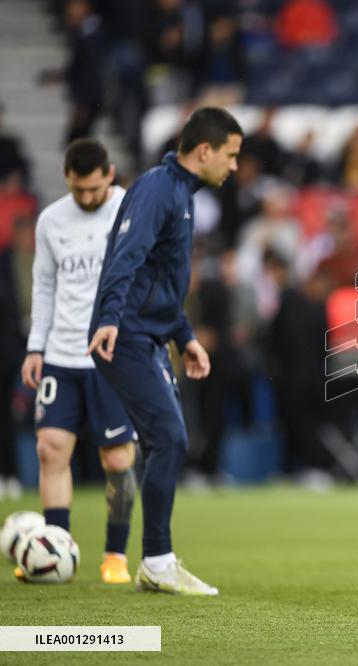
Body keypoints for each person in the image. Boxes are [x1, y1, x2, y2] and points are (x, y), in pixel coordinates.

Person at [87, 107, 242, 595]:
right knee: (170, 438)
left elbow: (162, 283)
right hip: (126, 335)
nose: (234, 166)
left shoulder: (181, 194)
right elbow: (126, 258)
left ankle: (156, 559)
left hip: (149, 334)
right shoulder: (159, 189)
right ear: (204, 151)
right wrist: (110, 318)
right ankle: (156, 560)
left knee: (168, 440)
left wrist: (184, 335)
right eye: (231, 155)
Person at [18, 139, 136, 584]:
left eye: (93, 189)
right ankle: (57, 552)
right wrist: (36, 347)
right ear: (68, 179)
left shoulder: (130, 210)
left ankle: (115, 556)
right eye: (77, 190)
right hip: (62, 356)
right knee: (50, 450)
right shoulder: (51, 220)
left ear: (109, 173)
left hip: (111, 355)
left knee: (118, 460)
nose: (85, 198)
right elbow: (44, 286)